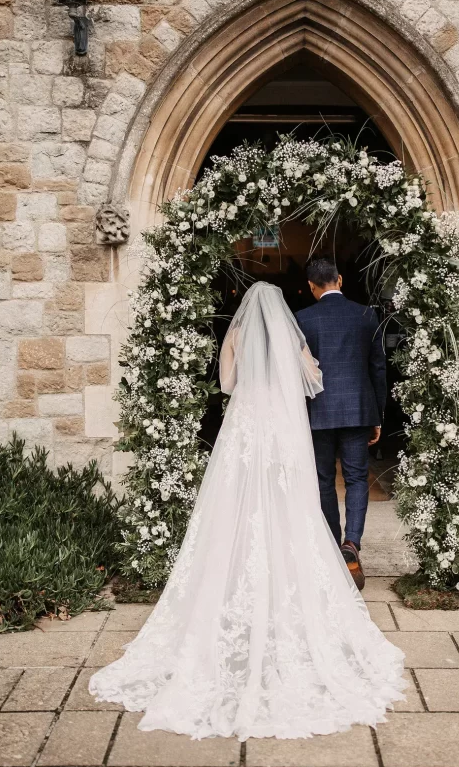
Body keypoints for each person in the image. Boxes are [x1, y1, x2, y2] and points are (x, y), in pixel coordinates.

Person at [89, 282, 404, 740]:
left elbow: (227, 384)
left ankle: (232, 580)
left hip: (244, 425)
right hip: (279, 425)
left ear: (244, 310)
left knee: (235, 503)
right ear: (277, 309)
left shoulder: (235, 337)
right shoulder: (291, 334)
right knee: (288, 502)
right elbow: (310, 379)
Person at [296, 259, 387, 591]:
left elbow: (300, 373)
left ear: (311, 286)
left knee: (322, 480)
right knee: (357, 478)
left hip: (318, 412)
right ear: (340, 279)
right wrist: (377, 414)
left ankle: (334, 548)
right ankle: (352, 544)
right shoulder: (366, 315)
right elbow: (378, 367)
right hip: (358, 409)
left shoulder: (303, 319)